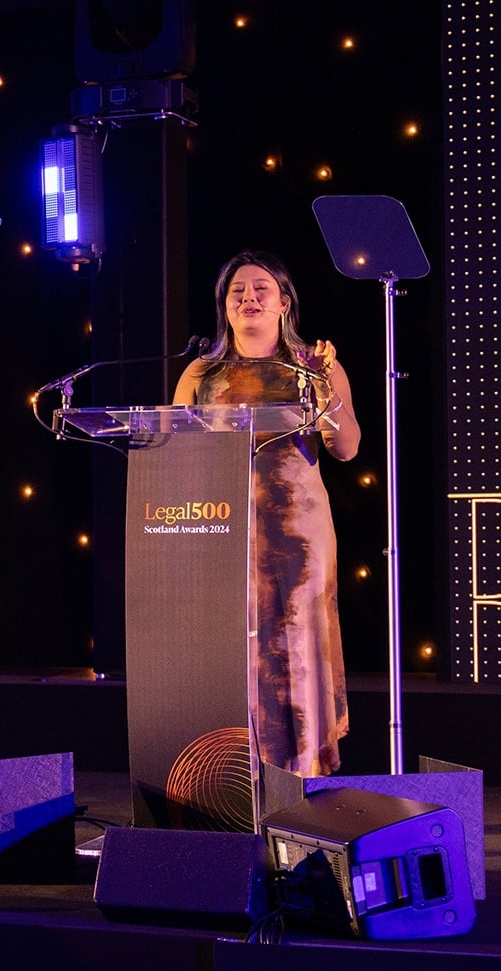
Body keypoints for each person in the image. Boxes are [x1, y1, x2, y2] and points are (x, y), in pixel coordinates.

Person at [172, 251, 361, 777]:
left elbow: (346, 448)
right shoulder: (201, 372)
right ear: (224, 307)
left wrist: (323, 385)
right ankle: (233, 776)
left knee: (297, 646)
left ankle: (301, 775)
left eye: (261, 289)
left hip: (298, 534)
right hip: (221, 527)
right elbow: (176, 454)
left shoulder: (314, 366)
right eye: (237, 291)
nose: (248, 298)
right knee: (231, 650)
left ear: (283, 303)